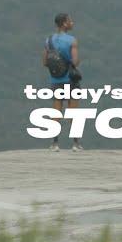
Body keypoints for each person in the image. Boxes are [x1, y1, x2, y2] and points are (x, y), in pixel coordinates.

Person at [42, 13, 82, 152]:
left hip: (56, 80)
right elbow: (75, 61)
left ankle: (55, 143)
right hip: (70, 80)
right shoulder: (72, 40)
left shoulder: (48, 40)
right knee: (73, 112)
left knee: (56, 111)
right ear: (64, 23)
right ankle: (76, 144)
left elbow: (45, 62)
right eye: (70, 21)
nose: (72, 23)